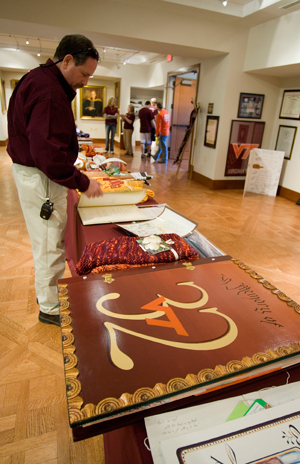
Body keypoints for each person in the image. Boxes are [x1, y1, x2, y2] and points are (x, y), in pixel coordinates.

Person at [7, 34, 103, 326]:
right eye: (84, 74)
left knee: (46, 240)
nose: (86, 82)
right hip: (42, 177)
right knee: (49, 242)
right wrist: (83, 182)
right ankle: (49, 307)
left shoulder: (39, 78)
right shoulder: (48, 92)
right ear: (67, 60)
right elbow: (47, 154)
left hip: (35, 173)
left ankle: (46, 295)